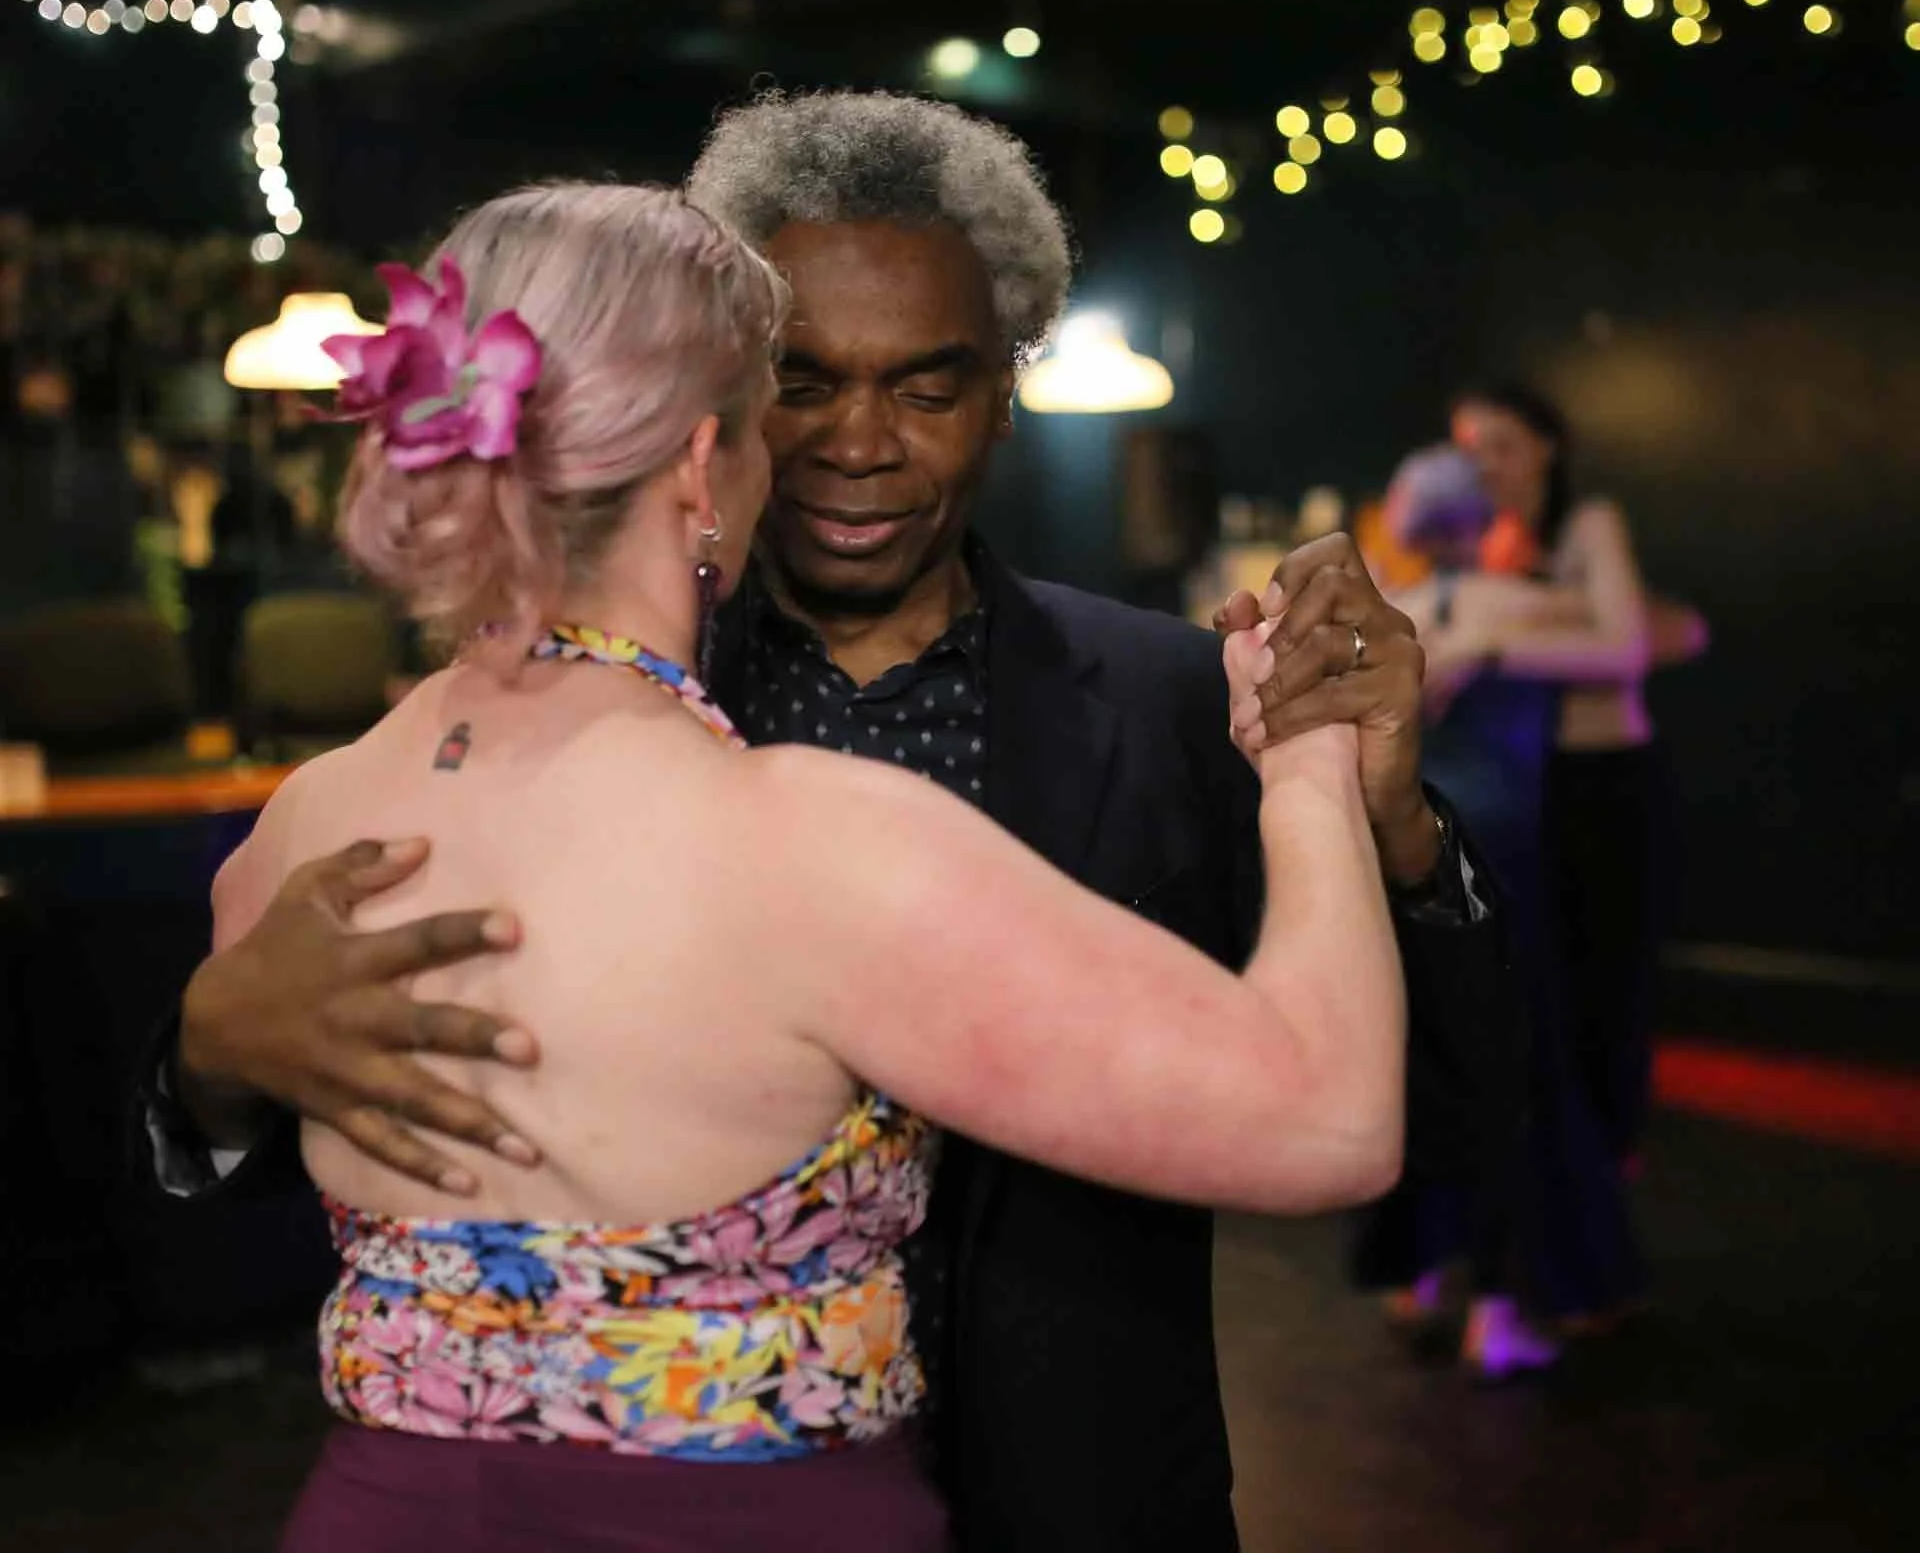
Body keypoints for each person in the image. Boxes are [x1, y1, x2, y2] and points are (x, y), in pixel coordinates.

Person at [141, 91, 1517, 1553]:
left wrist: (1396, 834)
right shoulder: (807, 822)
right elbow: (1328, 1106)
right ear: (705, 440)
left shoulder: (1164, 694)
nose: (858, 444)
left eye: (925, 389)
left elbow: (1449, 1108)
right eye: (798, 383)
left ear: (1005, 389)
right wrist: (208, 1065)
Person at [1341, 444, 1643, 1377]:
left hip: (1410, 861)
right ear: (1485, 522)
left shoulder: (1387, 615)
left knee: (1427, 1063)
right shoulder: (1529, 610)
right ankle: (1505, 1309)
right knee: (1516, 1077)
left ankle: (1429, 1272)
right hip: (1501, 868)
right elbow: (1647, 638)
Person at [1450, 385, 1701, 1175]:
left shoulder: (1589, 524)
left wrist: (1488, 648)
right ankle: (1560, 1149)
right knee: (1543, 970)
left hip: (1605, 777)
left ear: (1545, 446)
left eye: (1503, 444)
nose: (1486, 464)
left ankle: (1610, 1144)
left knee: (1609, 968)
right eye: (1473, 449)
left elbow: (1626, 648)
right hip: (1523, 780)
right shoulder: (1480, 543)